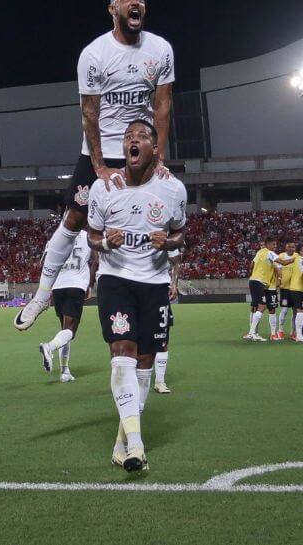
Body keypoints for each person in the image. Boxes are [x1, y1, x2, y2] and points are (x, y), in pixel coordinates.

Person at [14, 0, 175, 331]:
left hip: (141, 150)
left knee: (153, 220)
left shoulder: (161, 49)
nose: (136, 3)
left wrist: (159, 155)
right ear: (112, 8)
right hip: (100, 152)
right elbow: (89, 112)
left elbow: (162, 105)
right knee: (73, 219)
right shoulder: (94, 54)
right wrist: (99, 164)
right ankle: (42, 294)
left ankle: (154, 293)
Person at [86, 119, 187, 473]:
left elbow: (181, 236)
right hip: (116, 280)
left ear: (154, 148)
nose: (133, 140)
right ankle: (139, 444)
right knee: (123, 353)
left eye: (141, 136)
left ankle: (122, 443)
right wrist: (103, 243)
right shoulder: (103, 188)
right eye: (128, 136)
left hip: (155, 283)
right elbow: (91, 237)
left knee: (145, 362)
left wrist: (169, 242)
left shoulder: (173, 189)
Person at [38, 235, 96, 382]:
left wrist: (47, 289)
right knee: (70, 331)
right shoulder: (87, 236)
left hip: (58, 287)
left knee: (64, 331)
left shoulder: (56, 237)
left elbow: (44, 264)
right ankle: (49, 347)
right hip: (75, 285)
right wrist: (90, 284)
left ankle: (65, 371)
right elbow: (95, 261)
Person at [153, 246, 182, 393]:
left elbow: (177, 261)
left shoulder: (164, 234)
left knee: (163, 339)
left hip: (159, 291)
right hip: (134, 291)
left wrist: (174, 284)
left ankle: (160, 381)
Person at [243, 236, 280, 342]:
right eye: (273, 244)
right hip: (262, 283)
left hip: (269, 286)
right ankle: (253, 332)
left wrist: (279, 280)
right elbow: (282, 264)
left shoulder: (265, 254)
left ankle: (270, 333)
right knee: (259, 307)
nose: (275, 246)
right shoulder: (265, 253)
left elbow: (278, 269)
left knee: (269, 308)